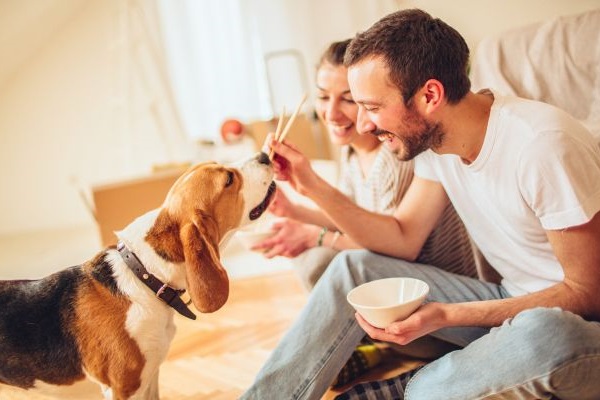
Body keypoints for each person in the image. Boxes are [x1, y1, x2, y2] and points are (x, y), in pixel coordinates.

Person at [241, 8, 600, 400]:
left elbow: (587, 294)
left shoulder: (541, 146)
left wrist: (451, 315)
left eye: (373, 107)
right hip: (507, 301)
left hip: (576, 323)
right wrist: (309, 185)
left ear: (430, 95)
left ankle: (415, 388)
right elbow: (402, 237)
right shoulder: (433, 146)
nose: (362, 125)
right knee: (352, 267)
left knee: (547, 333)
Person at [254, 39, 479, 292]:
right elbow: (351, 217)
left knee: (344, 263)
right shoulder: (351, 151)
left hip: (438, 277)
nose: (330, 113)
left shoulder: (396, 156)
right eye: (323, 97)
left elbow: (387, 246)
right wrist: (294, 210)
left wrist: (315, 235)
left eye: (348, 100)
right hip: (400, 267)